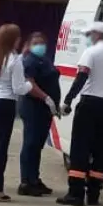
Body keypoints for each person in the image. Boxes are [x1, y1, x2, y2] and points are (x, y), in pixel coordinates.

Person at [0, 23, 58, 202]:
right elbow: (19, 88)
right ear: (13, 40)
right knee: (0, 147)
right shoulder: (14, 59)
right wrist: (28, 85)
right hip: (4, 102)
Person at [57, 21, 103, 206]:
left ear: (96, 34)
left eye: (89, 35)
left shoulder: (91, 53)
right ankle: (94, 193)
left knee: (80, 148)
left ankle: (76, 193)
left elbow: (81, 78)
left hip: (89, 104)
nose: (88, 38)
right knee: (100, 149)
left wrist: (68, 100)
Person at [17, 31, 60, 196]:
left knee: (37, 145)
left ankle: (34, 178)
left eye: (42, 42)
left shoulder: (44, 59)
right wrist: (46, 98)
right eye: (36, 42)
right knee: (30, 144)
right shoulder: (29, 61)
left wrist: (54, 104)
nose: (40, 45)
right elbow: (30, 84)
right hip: (33, 107)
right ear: (29, 44)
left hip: (44, 109)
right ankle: (26, 181)